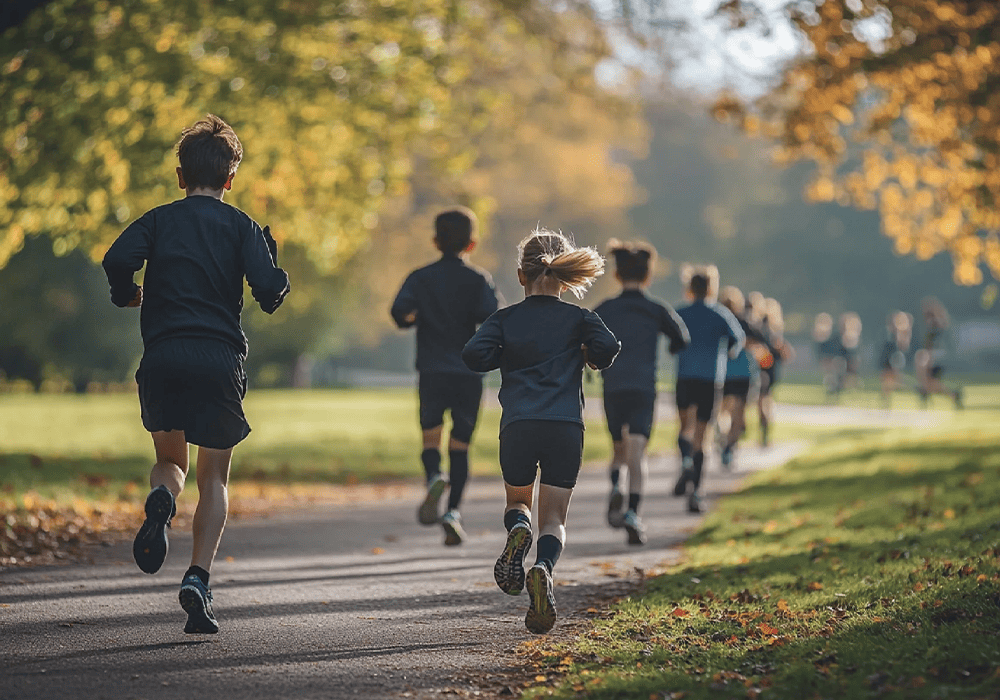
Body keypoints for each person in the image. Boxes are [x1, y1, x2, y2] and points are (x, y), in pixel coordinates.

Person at [102, 115, 290, 634]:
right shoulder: (242, 226)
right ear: (231, 178)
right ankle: (197, 579)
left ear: (180, 175)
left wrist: (127, 294)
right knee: (215, 477)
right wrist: (273, 267)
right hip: (218, 361)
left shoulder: (157, 220)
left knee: (170, 462)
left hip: (163, 357)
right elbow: (270, 293)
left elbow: (117, 258)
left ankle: (162, 500)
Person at [463, 228, 619, 634]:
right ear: (566, 277)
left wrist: (506, 354)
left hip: (518, 424)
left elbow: (473, 354)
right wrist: (588, 355)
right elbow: (609, 346)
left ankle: (518, 530)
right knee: (556, 520)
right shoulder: (581, 319)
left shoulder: (505, 319)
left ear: (520, 276)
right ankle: (544, 569)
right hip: (565, 426)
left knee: (519, 502)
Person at [390, 207, 502, 546]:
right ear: (472, 244)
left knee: (430, 436)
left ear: (435, 241)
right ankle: (453, 512)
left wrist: (414, 319)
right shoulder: (479, 279)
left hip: (432, 369)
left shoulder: (420, 277)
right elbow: (493, 317)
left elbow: (399, 312)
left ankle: (434, 478)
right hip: (468, 372)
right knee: (461, 445)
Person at [593, 240, 688, 545]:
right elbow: (681, 339)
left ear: (617, 275)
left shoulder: (605, 309)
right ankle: (633, 512)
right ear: (648, 276)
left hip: (614, 386)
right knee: (637, 451)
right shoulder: (656, 309)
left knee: (618, 449)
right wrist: (668, 347)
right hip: (644, 387)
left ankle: (615, 486)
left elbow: (588, 340)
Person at [671, 265, 744, 513]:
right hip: (710, 380)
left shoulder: (681, 312)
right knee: (701, 436)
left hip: (684, 377)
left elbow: (672, 341)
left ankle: (686, 463)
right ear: (711, 287)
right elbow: (738, 340)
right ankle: (696, 492)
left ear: (690, 287)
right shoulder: (721, 314)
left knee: (684, 430)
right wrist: (729, 352)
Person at [715, 286, 769, 469]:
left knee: (722, 412)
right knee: (737, 413)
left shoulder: (719, 320)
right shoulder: (745, 324)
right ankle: (728, 445)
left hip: (722, 374)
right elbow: (762, 350)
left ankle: (724, 440)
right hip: (741, 375)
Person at [756, 298, 795, 445]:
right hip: (770, 371)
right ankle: (765, 432)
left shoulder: (760, 329)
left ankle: (763, 430)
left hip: (761, 370)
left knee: (762, 402)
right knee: (765, 401)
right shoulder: (774, 331)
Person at [915, 297, 962, 408]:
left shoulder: (936, 325)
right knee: (932, 384)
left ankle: (924, 391)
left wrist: (927, 359)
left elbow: (931, 346)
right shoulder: (940, 324)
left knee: (930, 383)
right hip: (937, 357)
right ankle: (954, 395)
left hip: (937, 358)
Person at [879, 310, 913, 405]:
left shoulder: (903, 332)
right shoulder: (890, 332)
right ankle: (886, 401)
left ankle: (914, 387)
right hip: (888, 355)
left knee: (894, 379)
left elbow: (903, 346)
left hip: (895, 356)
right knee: (888, 380)